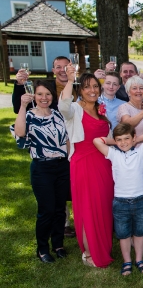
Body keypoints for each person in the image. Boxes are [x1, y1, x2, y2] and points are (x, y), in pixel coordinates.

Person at [13, 56, 77, 238]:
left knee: (61, 202)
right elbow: (20, 124)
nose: (44, 97)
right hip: (43, 161)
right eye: (58, 67)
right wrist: (20, 90)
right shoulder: (40, 99)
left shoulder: (74, 92)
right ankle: (48, 243)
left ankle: (59, 241)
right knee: (48, 207)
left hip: (65, 157)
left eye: (65, 66)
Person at [59, 71, 114, 268]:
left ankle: (103, 246)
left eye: (95, 86)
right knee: (88, 208)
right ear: (80, 90)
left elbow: (107, 138)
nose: (92, 90)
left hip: (104, 164)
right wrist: (70, 80)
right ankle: (89, 251)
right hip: (83, 164)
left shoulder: (101, 109)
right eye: (87, 86)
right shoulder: (74, 109)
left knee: (103, 206)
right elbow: (62, 106)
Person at [11, 80, 70, 263]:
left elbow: (67, 139)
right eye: (40, 94)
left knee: (60, 209)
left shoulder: (58, 114)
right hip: (42, 168)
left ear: (52, 96)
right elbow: (20, 133)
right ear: (34, 96)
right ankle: (42, 248)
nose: (44, 98)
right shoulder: (29, 115)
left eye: (48, 94)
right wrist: (22, 106)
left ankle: (58, 245)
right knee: (46, 210)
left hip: (62, 166)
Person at [93, 125, 143, 275]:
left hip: (140, 200)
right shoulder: (113, 154)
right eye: (119, 140)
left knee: (140, 233)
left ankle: (139, 260)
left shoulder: (140, 152)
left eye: (126, 139)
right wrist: (115, 142)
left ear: (133, 138)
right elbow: (96, 141)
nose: (123, 143)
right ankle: (127, 261)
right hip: (121, 202)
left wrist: (135, 140)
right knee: (123, 234)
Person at [12, 56, 77, 114]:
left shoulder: (79, 87)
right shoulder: (46, 89)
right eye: (58, 67)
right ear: (53, 71)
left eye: (66, 67)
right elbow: (18, 109)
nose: (62, 70)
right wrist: (20, 84)